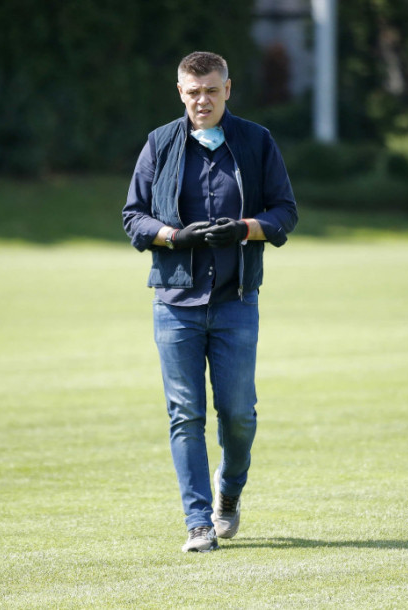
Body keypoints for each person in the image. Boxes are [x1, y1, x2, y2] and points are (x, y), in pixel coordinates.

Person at [122, 51, 298, 553]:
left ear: (228, 90)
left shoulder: (257, 141)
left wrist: (244, 229)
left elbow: (285, 212)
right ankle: (198, 523)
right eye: (194, 91)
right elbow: (133, 216)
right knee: (185, 414)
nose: (203, 100)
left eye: (212, 90)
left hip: (235, 301)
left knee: (238, 415)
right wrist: (174, 237)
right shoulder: (159, 143)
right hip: (175, 304)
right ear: (181, 92)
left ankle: (229, 491)